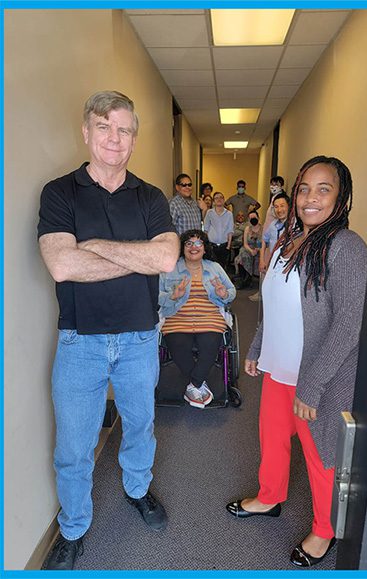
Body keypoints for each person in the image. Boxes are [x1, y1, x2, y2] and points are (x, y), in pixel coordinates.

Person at [37, 90, 179, 569]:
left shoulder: (152, 196)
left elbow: (164, 258)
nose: (114, 138)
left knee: (140, 425)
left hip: (140, 339)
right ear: (86, 132)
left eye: (123, 129)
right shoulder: (59, 193)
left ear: (134, 140)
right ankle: (74, 527)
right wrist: (133, 255)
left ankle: (137, 489)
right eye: (104, 127)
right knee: (74, 446)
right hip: (80, 343)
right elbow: (60, 264)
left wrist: (94, 246)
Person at [231, 156, 367, 567]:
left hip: (318, 378)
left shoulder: (346, 247)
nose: (311, 198)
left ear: (341, 198)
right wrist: (257, 347)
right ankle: (269, 497)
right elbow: (272, 304)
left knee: (320, 456)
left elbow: (350, 322)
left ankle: (324, 531)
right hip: (279, 369)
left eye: (324, 189)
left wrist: (313, 385)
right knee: (272, 441)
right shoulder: (287, 241)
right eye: (304, 188)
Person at [159, 229, 236, 408]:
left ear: (204, 247)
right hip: (178, 317)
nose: (194, 247)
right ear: (182, 247)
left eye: (198, 243)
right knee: (179, 345)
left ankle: (194, 385)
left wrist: (223, 294)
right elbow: (155, 295)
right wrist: (172, 296)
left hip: (209, 317)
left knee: (210, 343)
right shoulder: (170, 268)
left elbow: (231, 292)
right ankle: (199, 386)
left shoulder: (214, 267)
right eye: (189, 243)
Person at [254, 194, 290, 302]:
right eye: (276, 206)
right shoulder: (273, 225)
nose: (279, 210)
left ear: (289, 206)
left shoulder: (296, 226)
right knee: (272, 293)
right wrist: (261, 260)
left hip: (288, 266)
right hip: (273, 265)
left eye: (282, 206)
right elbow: (264, 241)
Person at [203, 191, 235, 270]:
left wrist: (228, 246)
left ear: (224, 200)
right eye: (216, 198)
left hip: (224, 245)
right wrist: (206, 245)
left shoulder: (229, 214)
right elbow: (206, 229)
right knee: (211, 267)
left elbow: (230, 230)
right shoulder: (209, 213)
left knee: (222, 268)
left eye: (221, 197)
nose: (219, 199)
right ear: (213, 201)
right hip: (211, 245)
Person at [236, 210, 264, 289]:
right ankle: (245, 279)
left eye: (254, 217)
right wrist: (251, 251)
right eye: (250, 218)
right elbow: (245, 244)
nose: (252, 219)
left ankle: (249, 279)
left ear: (258, 218)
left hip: (260, 249)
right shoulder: (247, 229)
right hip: (248, 248)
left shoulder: (263, 229)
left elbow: (265, 244)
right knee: (244, 255)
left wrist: (257, 250)